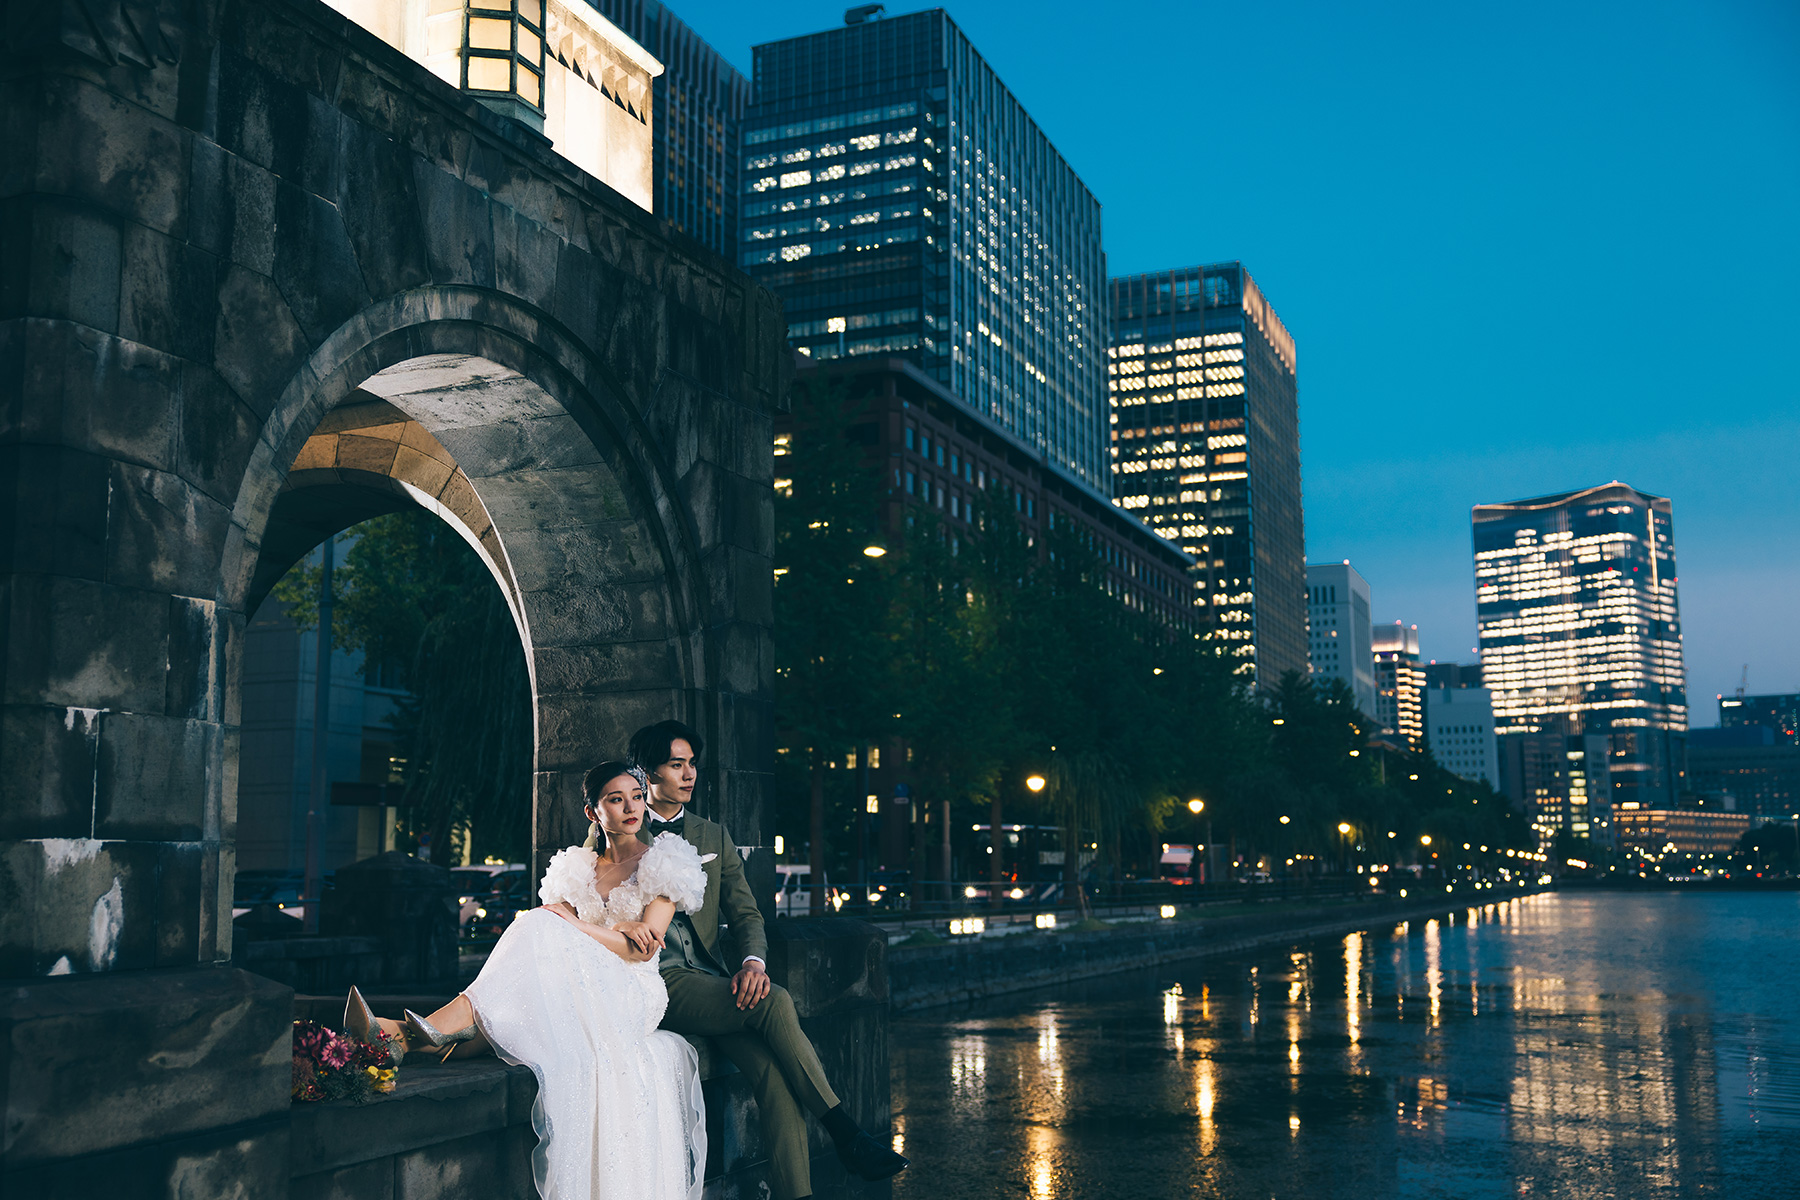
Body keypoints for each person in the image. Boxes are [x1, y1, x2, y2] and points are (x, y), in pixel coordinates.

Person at [346, 762, 710, 1200]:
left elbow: (641, 949)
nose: (631, 806)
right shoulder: (577, 868)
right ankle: (404, 1040)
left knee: (538, 925)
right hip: (583, 983)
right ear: (594, 812)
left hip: (633, 993)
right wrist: (581, 927)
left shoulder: (664, 862)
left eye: (636, 795)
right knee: (533, 947)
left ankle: (405, 1033)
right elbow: (562, 947)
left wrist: (571, 923)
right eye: (616, 799)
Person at [611, 719, 908, 1200]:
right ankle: (847, 1133)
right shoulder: (617, 824)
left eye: (693, 765)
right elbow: (591, 898)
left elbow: (746, 912)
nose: (689, 775)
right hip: (654, 980)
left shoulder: (713, 835)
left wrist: (752, 962)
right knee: (774, 1003)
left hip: (708, 980)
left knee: (774, 1077)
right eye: (676, 764)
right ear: (646, 773)